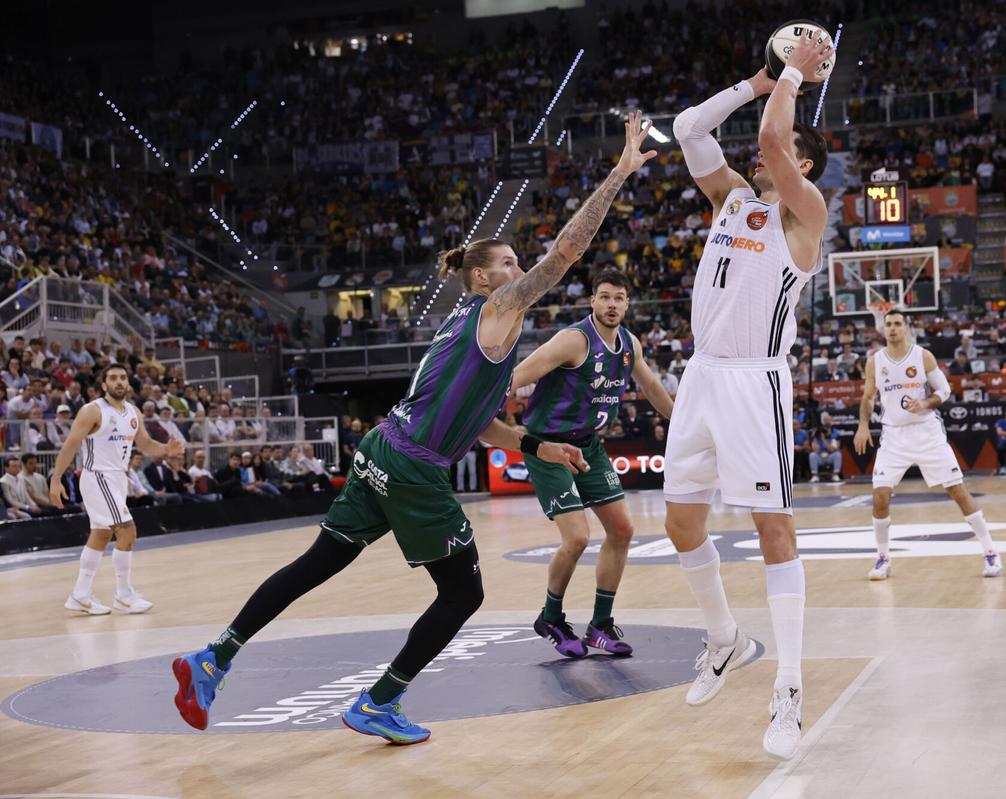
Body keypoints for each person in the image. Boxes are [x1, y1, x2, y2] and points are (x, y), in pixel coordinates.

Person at [170, 111, 653, 743]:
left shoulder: (466, 324)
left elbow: (481, 427)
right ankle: (379, 700)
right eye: (510, 262)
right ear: (483, 276)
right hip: (412, 468)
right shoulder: (497, 308)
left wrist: (539, 444)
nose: (520, 268)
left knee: (319, 562)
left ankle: (214, 657)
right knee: (463, 595)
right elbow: (567, 251)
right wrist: (618, 171)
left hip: (379, 450)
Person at [665, 40, 831, 760]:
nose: (768, 152)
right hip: (700, 377)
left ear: (806, 165)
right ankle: (726, 638)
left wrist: (795, 71)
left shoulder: (807, 217)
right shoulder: (732, 200)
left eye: (788, 148)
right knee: (679, 527)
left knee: (774, 534)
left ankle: (789, 690)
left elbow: (768, 134)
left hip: (755, 383)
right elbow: (688, 130)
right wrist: (758, 78)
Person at [511, 269, 675, 658]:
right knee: (578, 538)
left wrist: (683, 426)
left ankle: (600, 625)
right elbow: (515, 377)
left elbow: (651, 386)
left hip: (590, 446)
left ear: (628, 303)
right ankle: (550, 617)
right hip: (549, 448)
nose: (612, 304)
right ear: (592, 301)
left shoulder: (628, 344)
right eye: (605, 297)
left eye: (619, 297)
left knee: (621, 530)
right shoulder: (572, 340)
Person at [855, 309, 1003, 582]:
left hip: (927, 433)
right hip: (894, 436)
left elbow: (944, 391)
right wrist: (863, 425)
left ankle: (990, 551)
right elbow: (867, 397)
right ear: (883, 329)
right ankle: (883, 557)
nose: (892, 328)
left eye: (898, 324)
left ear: (907, 327)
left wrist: (924, 403)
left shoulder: (922, 356)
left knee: (957, 491)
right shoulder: (874, 362)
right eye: (888, 324)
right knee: (880, 496)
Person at [49, 364, 185, 615]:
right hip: (98, 477)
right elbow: (70, 445)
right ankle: (123, 595)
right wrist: (56, 479)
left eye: (123, 377)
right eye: (113, 378)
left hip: (117, 479)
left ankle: (80, 594)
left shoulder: (133, 412)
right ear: (103, 385)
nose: (119, 382)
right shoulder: (92, 411)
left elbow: (144, 443)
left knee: (101, 534)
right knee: (127, 532)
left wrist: (166, 450)